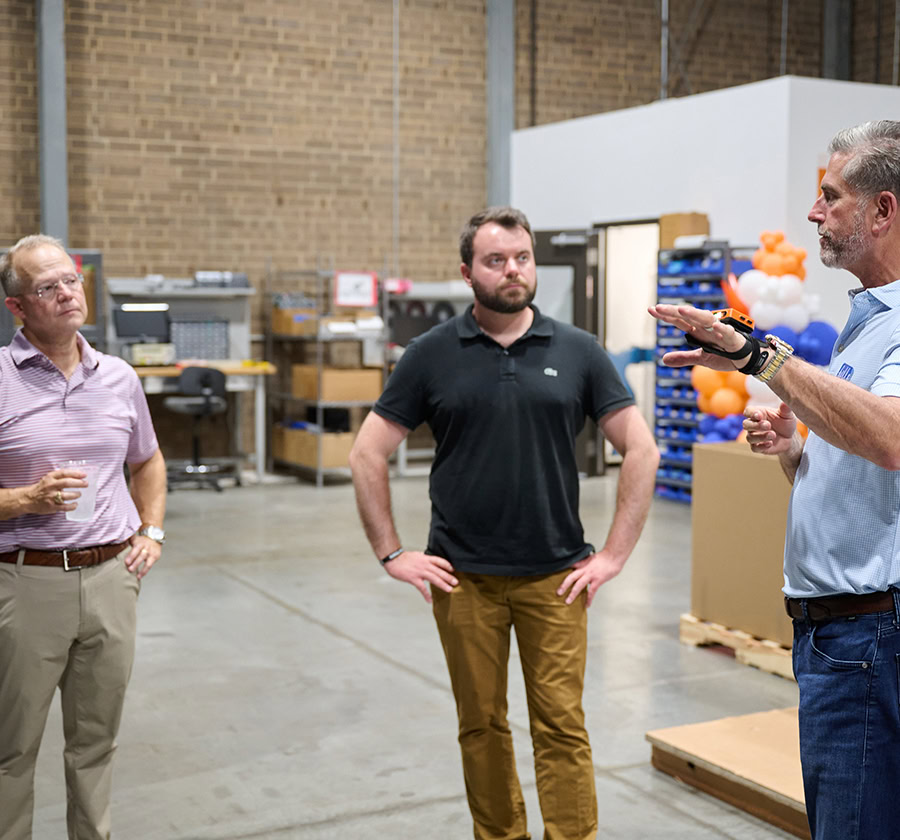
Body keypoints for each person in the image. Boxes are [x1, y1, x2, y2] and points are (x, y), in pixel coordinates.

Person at [350, 206, 659, 840]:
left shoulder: (578, 351)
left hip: (557, 578)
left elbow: (642, 449)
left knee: (561, 725)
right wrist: (391, 553)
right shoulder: (430, 355)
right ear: (468, 272)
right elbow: (366, 452)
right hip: (462, 579)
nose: (512, 269)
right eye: (495, 260)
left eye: (521, 257)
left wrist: (614, 555)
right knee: (481, 724)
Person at [649, 120, 900, 840]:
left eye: (830, 196)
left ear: (883, 210)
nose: (815, 213)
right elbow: (865, 478)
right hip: (842, 635)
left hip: (868, 638)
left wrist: (762, 358)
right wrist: (797, 451)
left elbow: (889, 440)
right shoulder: (868, 321)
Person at [0, 234, 167, 840]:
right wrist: (26, 499)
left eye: (70, 279)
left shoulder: (118, 377)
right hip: (25, 582)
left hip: (110, 579)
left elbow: (147, 460)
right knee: (11, 751)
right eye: (47, 286)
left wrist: (150, 531)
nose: (68, 292)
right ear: (18, 307)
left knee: (95, 744)